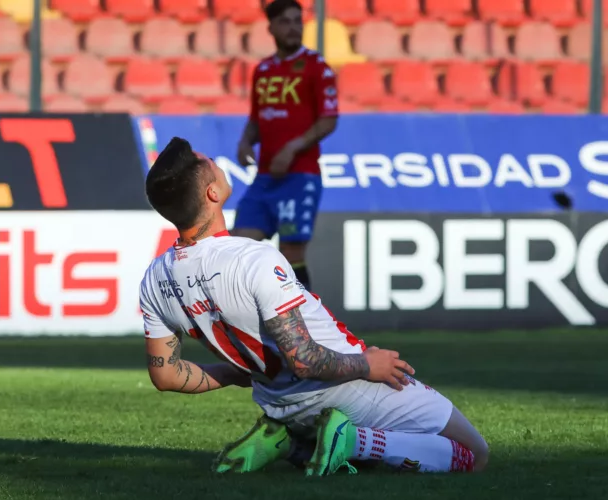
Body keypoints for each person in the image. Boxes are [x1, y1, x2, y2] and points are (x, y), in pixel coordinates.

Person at [140, 137, 490, 476]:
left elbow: (166, 375)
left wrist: (237, 373)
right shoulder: (253, 257)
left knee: (382, 459)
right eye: (208, 163)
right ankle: (351, 440)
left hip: (278, 402)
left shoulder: (154, 279)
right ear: (212, 193)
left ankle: (289, 443)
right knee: (474, 455)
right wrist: (368, 366)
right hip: (343, 386)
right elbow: (305, 360)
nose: (215, 162)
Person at [232, 0, 338, 291]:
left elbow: (329, 120)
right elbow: (257, 118)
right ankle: (251, 323)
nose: (293, 28)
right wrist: (245, 141)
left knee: (291, 254)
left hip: (300, 176)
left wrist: (292, 148)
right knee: (239, 244)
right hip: (265, 178)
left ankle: (306, 326)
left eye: (297, 21)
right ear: (271, 28)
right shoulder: (263, 70)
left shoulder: (317, 68)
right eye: (286, 22)